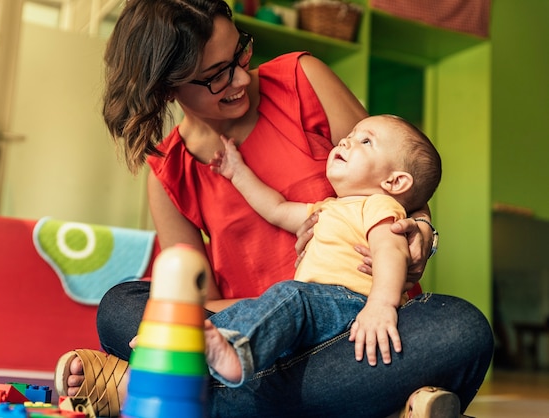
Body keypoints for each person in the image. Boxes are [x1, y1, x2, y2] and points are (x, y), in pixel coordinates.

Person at [54, 1, 493, 417]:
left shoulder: (303, 79)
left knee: (462, 330)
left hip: (359, 327)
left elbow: (397, 173)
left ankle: (163, 392)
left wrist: (421, 233)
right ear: (167, 90)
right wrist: (277, 314)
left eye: (240, 54)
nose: (241, 79)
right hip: (246, 334)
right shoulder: (170, 173)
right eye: (216, 76)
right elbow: (196, 303)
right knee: (121, 305)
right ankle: (374, 404)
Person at [203, 114, 442, 386]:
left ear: (394, 182)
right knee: (259, 306)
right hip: (319, 307)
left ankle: (234, 354)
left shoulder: (380, 206)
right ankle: (183, 341)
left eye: (365, 141)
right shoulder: (327, 208)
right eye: (351, 134)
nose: (346, 140)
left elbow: (391, 251)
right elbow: (276, 209)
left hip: (355, 304)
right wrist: (237, 172)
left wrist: (381, 304)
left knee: (289, 296)